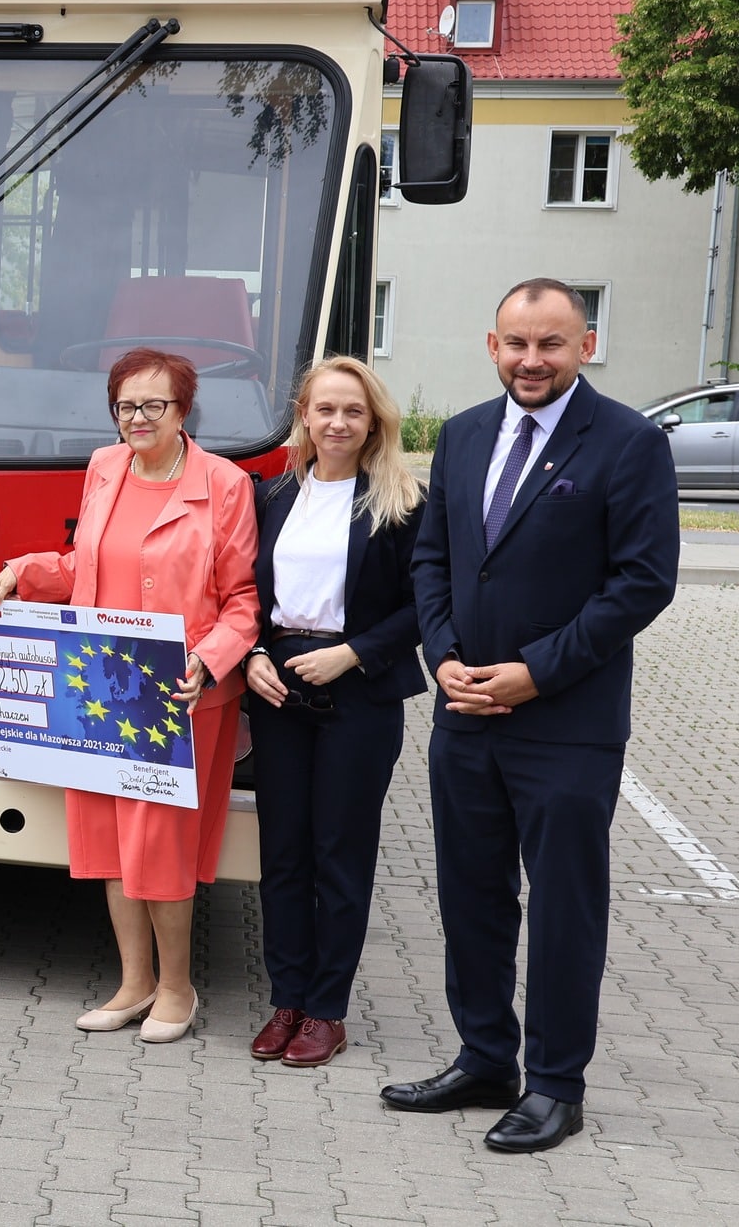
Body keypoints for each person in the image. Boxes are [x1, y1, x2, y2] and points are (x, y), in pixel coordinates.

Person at [386, 278, 678, 1152]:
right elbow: (432, 557)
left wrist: (533, 674)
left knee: (562, 907)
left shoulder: (627, 442)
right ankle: (484, 1057)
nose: (532, 360)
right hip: (464, 716)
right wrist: (441, 655)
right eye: (517, 343)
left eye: (551, 343)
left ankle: (556, 1084)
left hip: (565, 725)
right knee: (472, 896)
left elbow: (642, 583)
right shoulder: (468, 433)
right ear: (492, 345)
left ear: (584, 345)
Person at [0, 348, 259, 1043]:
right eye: (126, 406)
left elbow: (243, 602)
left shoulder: (223, 484)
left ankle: (178, 986)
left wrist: (209, 658)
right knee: (108, 838)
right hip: (102, 681)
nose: (137, 418)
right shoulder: (105, 467)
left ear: (183, 410)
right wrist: (28, 570)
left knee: (160, 844)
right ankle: (134, 982)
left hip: (177, 692)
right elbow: (90, 563)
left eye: (153, 406)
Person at [241, 357, 425, 1068]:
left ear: (373, 420)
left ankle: (326, 1010)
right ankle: (285, 998)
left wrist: (353, 653)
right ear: (305, 416)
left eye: (353, 410)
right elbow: (241, 585)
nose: (338, 422)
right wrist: (253, 651)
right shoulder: (275, 495)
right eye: (326, 409)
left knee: (338, 857)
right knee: (283, 853)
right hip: (280, 687)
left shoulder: (403, 502)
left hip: (358, 690)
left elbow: (423, 605)